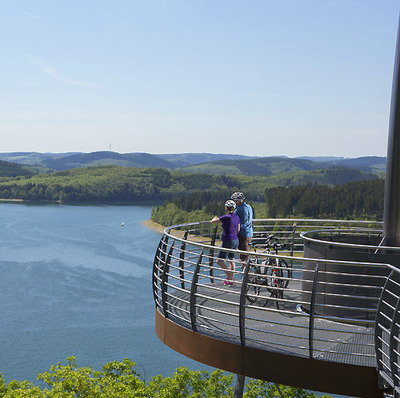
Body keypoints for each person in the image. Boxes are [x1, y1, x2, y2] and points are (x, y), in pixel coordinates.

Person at [210, 200, 240, 285]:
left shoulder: (226, 217)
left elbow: (213, 221)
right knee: (231, 260)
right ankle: (231, 279)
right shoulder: (236, 217)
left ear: (226, 208)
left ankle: (230, 277)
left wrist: (214, 218)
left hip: (228, 240)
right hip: (235, 240)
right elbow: (238, 229)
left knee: (219, 261)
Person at [231, 192, 253, 265]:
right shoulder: (248, 206)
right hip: (249, 232)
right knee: (247, 253)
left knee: (244, 256)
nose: (235, 202)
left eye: (235, 201)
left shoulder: (239, 209)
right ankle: (248, 273)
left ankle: (246, 274)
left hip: (242, 233)